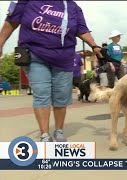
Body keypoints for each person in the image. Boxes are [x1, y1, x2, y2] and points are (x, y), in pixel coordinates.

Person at [0, 1, 102, 142]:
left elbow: (82, 29)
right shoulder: (26, 1)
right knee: (42, 93)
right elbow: (11, 22)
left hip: (64, 58)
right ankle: (44, 135)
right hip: (35, 54)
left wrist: (95, 46)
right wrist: (0, 43)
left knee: (61, 96)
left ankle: (58, 131)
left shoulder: (73, 6)